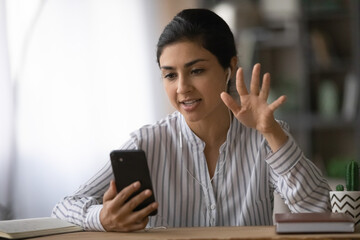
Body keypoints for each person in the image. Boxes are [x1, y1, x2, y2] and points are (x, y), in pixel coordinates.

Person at [51, 8, 331, 232]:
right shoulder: (147, 142)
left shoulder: (265, 135)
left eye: (196, 70)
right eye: (170, 75)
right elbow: (65, 206)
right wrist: (102, 217)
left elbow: (319, 211)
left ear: (229, 68)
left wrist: (272, 132)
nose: (182, 88)